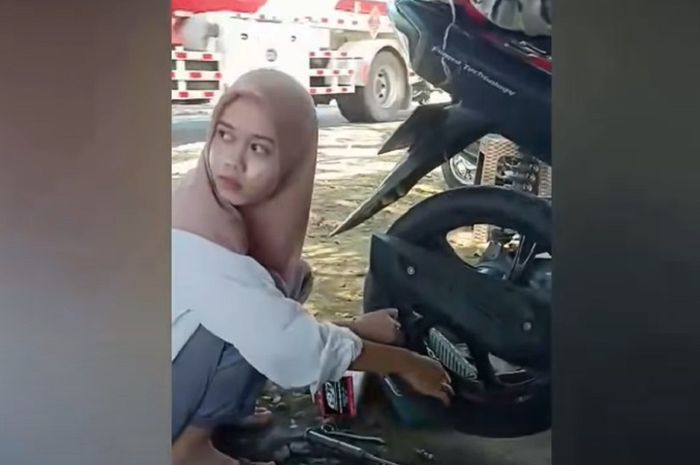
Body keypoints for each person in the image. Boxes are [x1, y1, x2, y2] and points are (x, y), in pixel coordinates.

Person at [171, 68, 454, 465]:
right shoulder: (197, 233)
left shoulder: (210, 205)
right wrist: (407, 364)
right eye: (225, 135)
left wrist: (353, 331)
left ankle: (217, 413)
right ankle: (188, 449)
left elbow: (273, 321)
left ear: (292, 159)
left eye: (259, 148)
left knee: (273, 291)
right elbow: (286, 343)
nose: (233, 161)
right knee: (253, 312)